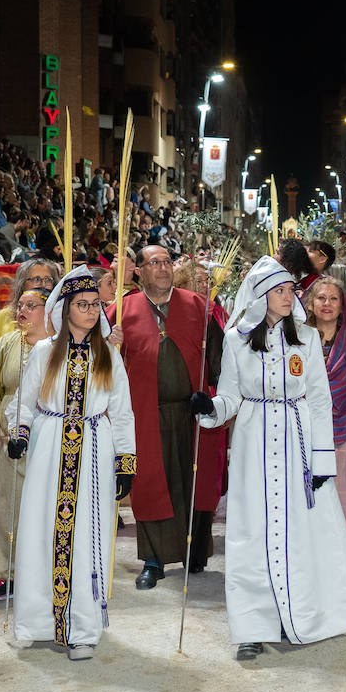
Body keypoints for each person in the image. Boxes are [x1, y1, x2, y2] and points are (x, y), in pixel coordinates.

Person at [193, 257, 346, 661]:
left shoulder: (306, 338)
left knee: (301, 530)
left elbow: (321, 400)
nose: (289, 297)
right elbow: (231, 398)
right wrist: (208, 408)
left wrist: (323, 460)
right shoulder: (237, 339)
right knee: (252, 531)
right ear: (260, 296)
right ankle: (252, 626)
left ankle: (303, 614)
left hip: (299, 443)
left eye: (291, 290)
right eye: (280, 291)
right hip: (254, 442)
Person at [11, 268, 135, 661]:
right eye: (83, 305)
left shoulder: (108, 354)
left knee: (85, 538)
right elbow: (24, 403)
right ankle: (36, 622)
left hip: (94, 450)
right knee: (40, 531)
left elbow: (124, 412)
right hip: (50, 448)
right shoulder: (45, 352)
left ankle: (82, 629)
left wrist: (125, 460)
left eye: (96, 304)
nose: (91, 311)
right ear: (64, 310)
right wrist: (20, 433)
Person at [106, 243, 221, 587]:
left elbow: (218, 362)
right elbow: (103, 367)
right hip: (145, 414)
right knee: (151, 486)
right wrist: (110, 344)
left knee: (193, 483)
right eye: (154, 262)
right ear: (138, 271)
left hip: (192, 414)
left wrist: (215, 400)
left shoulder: (200, 307)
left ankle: (194, 552)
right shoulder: (119, 312)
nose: (163, 267)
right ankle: (153, 561)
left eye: (167, 261)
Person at [0, 285, 50, 602]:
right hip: (9, 436)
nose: (23, 311)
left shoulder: (57, 346)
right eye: (21, 304)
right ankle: (7, 575)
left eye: (32, 306)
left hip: (48, 436)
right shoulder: (5, 344)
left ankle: (45, 573)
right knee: (7, 504)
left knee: (45, 504)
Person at [305, 276, 346, 581]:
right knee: (312, 501)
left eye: (333, 299)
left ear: (342, 305)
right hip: (306, 431)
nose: (327, 304)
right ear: (310, 303)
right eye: (321, 298)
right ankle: (315, 572)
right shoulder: (299, 339)